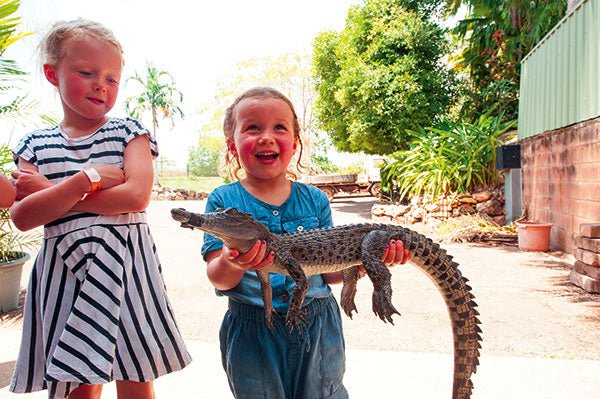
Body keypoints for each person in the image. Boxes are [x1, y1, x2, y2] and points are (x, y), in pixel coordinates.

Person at [8, 19, 191, 399]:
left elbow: (136, 196)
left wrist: (52, 194)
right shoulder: (35, 144)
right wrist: (83, 180)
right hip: (64, 272)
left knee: (135, 372)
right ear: (51, 73)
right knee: (76, 382)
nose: (100, 85)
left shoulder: (129, 132)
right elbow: (24, 215)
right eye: (87, 72)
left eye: (112, 78)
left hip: (126, 267)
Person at [201, 87, 410, 399]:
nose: (266, 137)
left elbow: (329, 274)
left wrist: (366, 264)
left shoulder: (315, 199)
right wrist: (233, 260)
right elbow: (217, 276)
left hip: (318, 323)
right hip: (254, 328)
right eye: (253, 127)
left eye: (279, 127)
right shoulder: (223, 200)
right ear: (233, 145)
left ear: (295, 143)